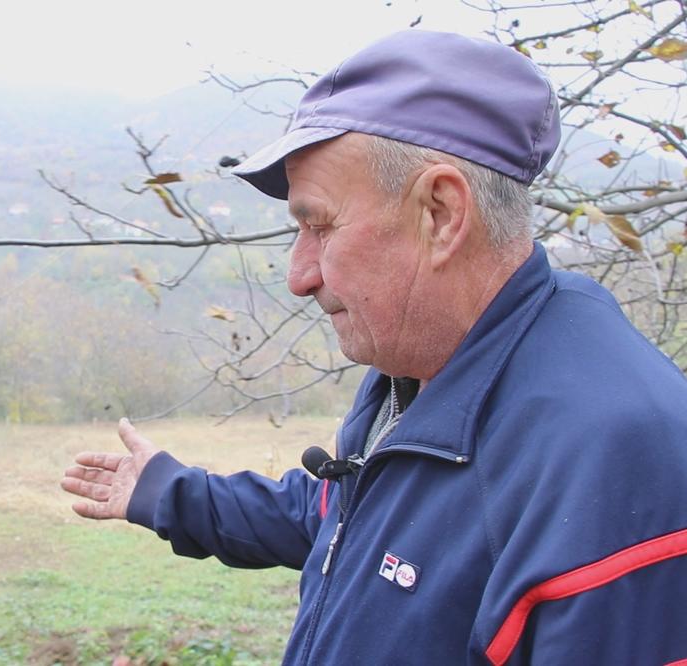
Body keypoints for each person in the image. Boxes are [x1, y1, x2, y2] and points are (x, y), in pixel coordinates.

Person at [61, 30, 687, 664]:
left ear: (441, 213)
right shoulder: (425, 366)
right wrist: (170, 492)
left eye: (320, 225)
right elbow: (349, 515)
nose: (299, 276)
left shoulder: (615, 458)